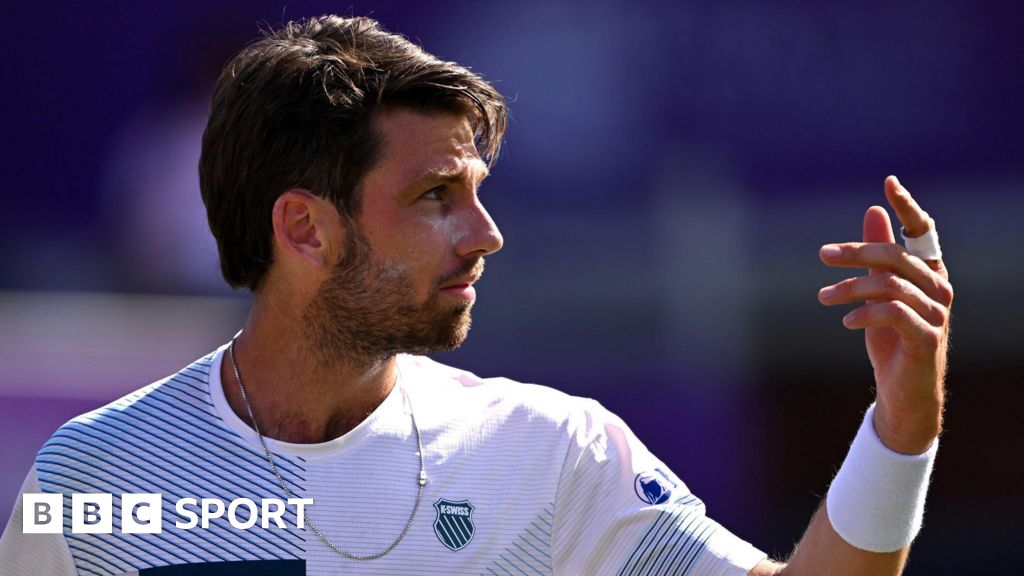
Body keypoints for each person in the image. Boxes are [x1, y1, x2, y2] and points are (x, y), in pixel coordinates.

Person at [0, 15, 953, 576]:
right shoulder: (94, 475)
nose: (485, 234)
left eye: (479, 194)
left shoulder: (553, 449)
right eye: (433, 198)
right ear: (304, 229)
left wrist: (903, 425)